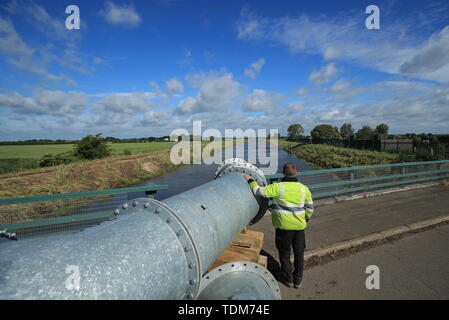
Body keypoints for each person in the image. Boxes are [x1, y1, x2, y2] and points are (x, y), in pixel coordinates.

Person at [244, 163, 313, 289]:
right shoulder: (304, 188)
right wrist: (306, 218)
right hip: (299, 227)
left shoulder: (278, 187)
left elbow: (259, 191)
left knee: (285, 252)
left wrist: (250, 180)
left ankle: (287, 278)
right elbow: (309, 207)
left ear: (283, 173)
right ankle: (298, 280)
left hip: (283, 228)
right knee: (299, 253)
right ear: (295, 172)